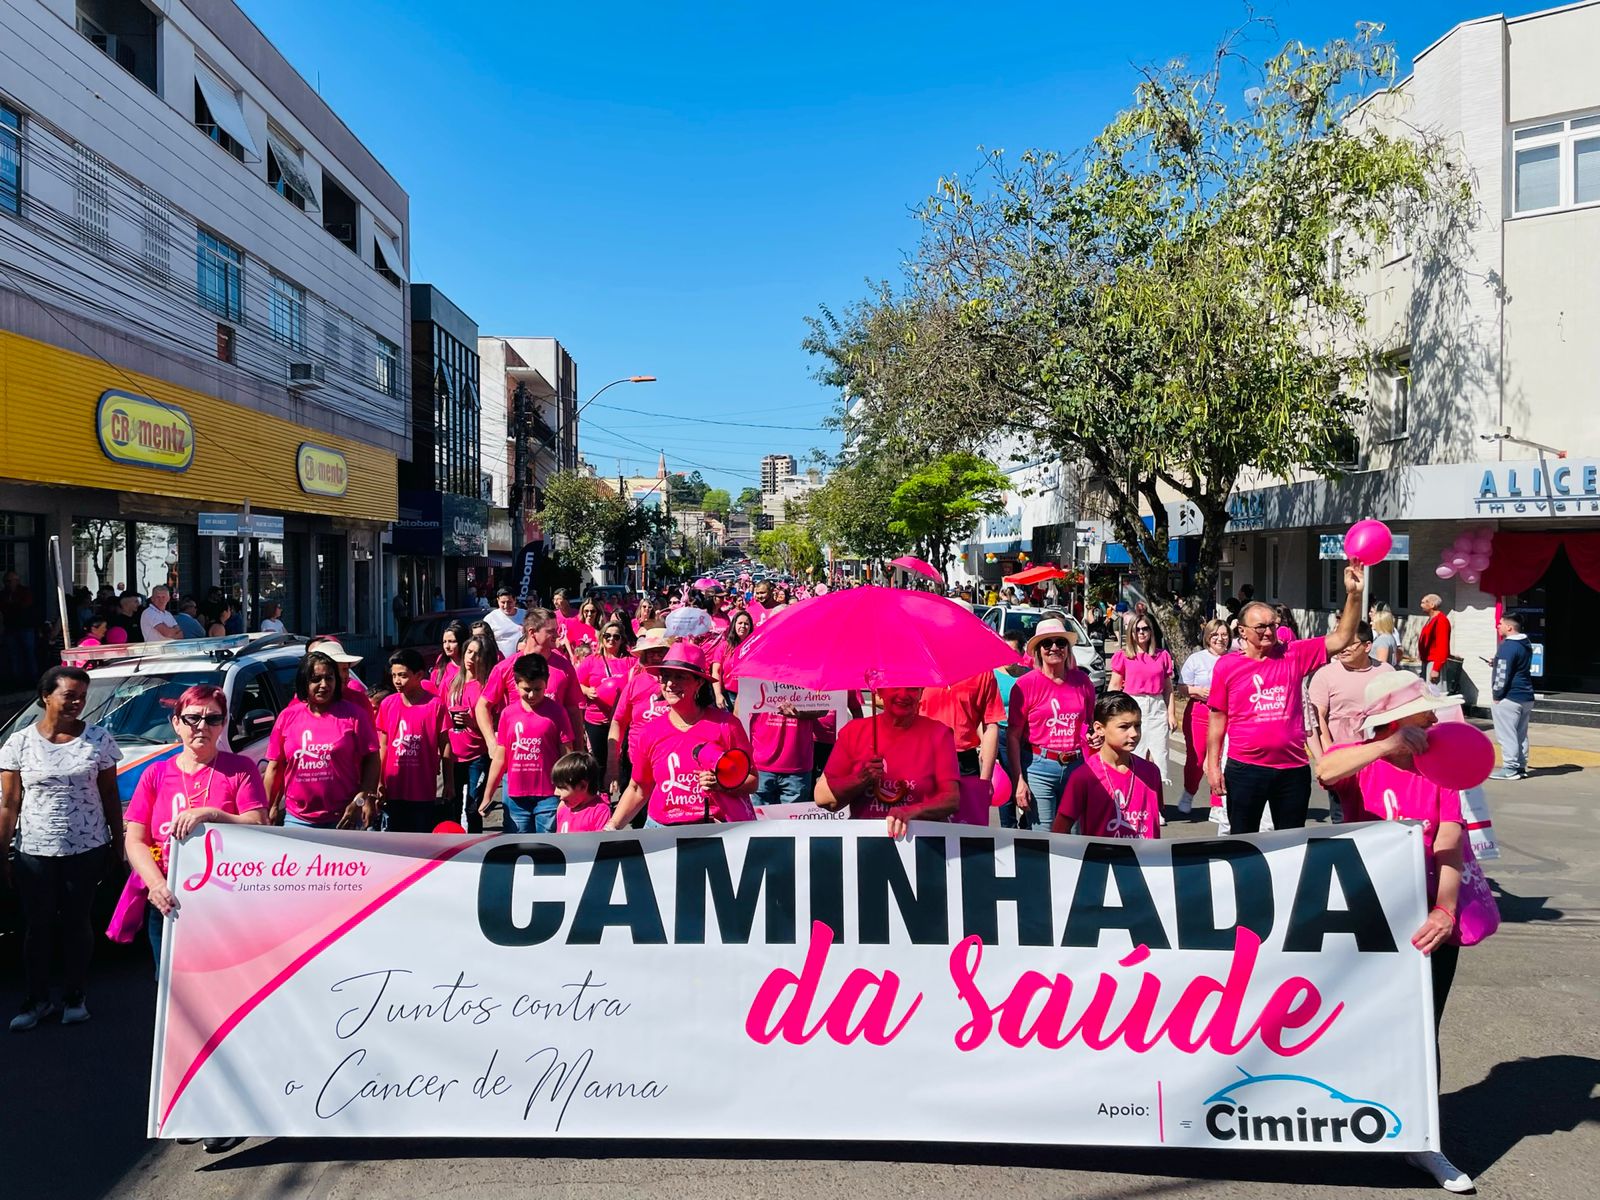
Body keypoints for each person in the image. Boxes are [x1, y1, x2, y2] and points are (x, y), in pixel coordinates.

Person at [1315, 672, 1478, 1194]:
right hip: (1367, 924)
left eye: (1432, 711)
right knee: (1354, 1024)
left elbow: (1450, 841)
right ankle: (1333, 1117)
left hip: (1426, 924)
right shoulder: (1364, 761)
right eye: (1423, 713)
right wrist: (1383, 746)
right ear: (1394, 722)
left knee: (1422, 1029)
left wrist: (1445, 911)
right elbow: (1326, 768)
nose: (1433, 719)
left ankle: (1424, 1138)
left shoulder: (1440, 768)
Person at [0, 666, 121, 1031]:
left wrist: (117, 843)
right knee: (36, 927)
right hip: (35, 851)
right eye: (69, 695)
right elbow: (8, 803)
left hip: (86, 848)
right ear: (45, 697)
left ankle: (74, 996)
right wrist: (1, 852)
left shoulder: (99, 740)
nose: (77, 703)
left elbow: (109, 794)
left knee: (77, 922)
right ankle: (37, 1000)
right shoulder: (18, 744)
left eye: (82, 696)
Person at [1207, 563, 1363, 835]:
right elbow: (1217, 719)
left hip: (1292, 769)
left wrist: (1354, 595)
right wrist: (1213, 766)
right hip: (1245, 769)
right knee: (1243, 841)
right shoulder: (1227, 666)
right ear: (1242, 631)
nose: (1268, 632)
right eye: (1260, 627)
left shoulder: (1294, 654)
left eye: (1272, 626)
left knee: (1290, 842)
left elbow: (1342, 637)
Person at [122, 684, 266, 967]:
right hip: (169, 901)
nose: (202, 726)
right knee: (172, 993)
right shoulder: (156, 774)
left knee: (224, 983)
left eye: (213, 719)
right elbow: (135, 839)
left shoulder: (240, 769)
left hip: (226, 901)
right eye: (192, 718)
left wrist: (212, 814)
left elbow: (259, 824)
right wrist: (156, 885)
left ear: (223, 724)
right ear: (176, 723)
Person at [607, 644, 758, 828]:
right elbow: (638, 788)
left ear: (699, 682)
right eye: (666, 676)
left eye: (680, 676)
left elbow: (752, 781)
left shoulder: (727, 725)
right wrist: (612, 826)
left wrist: (721, 784)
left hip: (712, 832)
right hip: (661, 833)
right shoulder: (650, 732)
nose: (670, 684)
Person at [817, 685, 959, 835]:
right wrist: (860, 779)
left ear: (921, 692)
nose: (903, 695)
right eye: (895, 687)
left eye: (912, 688)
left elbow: (951, 799)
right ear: (879, 691)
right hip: (865, 844)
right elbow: (823, 797)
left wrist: (912, 812)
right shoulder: (853, 732)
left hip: (921, 845)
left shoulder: (939, 734)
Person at [264, 651, 380, 830]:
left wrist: (361, 800)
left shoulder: (355, 715)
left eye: (329, 678)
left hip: (344, 819)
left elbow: (372, 758)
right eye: (316, 679)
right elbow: (275, 767)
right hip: (297, 820)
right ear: (304, 682)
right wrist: (268, 807)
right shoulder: (287, 717)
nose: (324, 685)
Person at [1006, 619, 1098, 829]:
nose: (1054, 648)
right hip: (1039, 767)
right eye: (1047, 644)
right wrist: (1019, 781)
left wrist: (1093, 735)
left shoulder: (1083, 682)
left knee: (1074, 834)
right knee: (1044, 835)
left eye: (1060, 643)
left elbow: (1090, 724)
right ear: (1039, 650)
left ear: (1067, 648)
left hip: (1076, 766)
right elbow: (1013, 736)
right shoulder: (1025, 685)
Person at [1308, 622, 1394, 822]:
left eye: (1350, 643)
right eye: (1341, 642)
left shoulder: (1386, 672)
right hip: (1343, 760)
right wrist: (1326, 755)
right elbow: (1317, 716)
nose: (1343, 648)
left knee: (1379, 815)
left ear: (1367, 646)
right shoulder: (1325, 675)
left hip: (1379, 758)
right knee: (1342, 819)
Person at [481, 653, 575, 833]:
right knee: (518, 847)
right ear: (516, 684)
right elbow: (501, 758)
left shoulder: (557, 712)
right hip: (515, 798)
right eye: (526, 689)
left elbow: (567, 755)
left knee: (547, 848)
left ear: (546, 682)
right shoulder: (508, 715)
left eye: (538, 689)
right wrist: (488, 795)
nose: (531, 695)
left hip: (549, 795)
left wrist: (567, 791)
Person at [1055, 692, 1163, 839]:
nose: (1134, 733)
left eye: (1137, 726)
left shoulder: (1151, 772)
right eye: (1124, 727)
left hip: (1145, 860)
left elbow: (1153, 823)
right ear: (1099, 729)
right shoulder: (1084, 776)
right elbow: (1060, 829)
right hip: (1101, 860)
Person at [376, 648, 453, 832]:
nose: (397, 681)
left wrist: (449, 781)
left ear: (419, 675)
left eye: (402, 675)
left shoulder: (435, 705)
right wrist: (379, 782)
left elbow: (445, 744)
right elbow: (383, 745)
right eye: (394, 675)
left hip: (423, 789)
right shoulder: (388, 704)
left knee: (421, 839)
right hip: (394, 788)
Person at [1109, 614, 1174, 820]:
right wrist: (1110, 713)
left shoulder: (1162, 656)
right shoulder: (1124, 656)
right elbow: (1114, 685)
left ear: (1151, 631)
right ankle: (1132, 803)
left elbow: (1168, 688)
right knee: (1132, 756)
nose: (1141, 633)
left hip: (1156, 707)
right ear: (1131, 633)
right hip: (1132, 705)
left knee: (1156, 758)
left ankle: (1154, 806)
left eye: (1145, 629)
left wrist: (1171, 713)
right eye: (1137, 629)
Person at [605, 629, 672, 796]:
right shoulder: (635, 683)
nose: (655, 656)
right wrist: (612, 765)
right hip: (637, 767)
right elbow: (618, 722)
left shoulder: (681, 682)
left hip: (671, 766)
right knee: (638, 819)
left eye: (661, 651)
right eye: (651, 652)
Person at [1174, 618, 1230, 818]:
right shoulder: (1196, 659)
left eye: (1224, 635)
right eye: (1215, 635)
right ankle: (1189, 792)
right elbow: (1181, 687)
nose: (1220, 639)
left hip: (1226, 714)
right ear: (1208, 637)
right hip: (1199, 712)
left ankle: (1217, 803)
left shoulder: (1234, 658)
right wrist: (1198, 690)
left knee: (1221, 759)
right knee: (1197, 759)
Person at [446, 635, 495, 832]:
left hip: (478, 755)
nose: (471, 658)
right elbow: (441, 712)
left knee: (473, 808)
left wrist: (473, 723)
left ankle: (475, 848)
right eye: (469, 652)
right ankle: (453, 848)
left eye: (477, 654)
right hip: (454, 754)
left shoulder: (487, 686)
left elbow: (494, 722)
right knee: (452, 806)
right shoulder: (452, 683)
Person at [750, 699, 825, 807]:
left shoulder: (809, 683)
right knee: (759, 822)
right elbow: (740, 709)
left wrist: (800, 713)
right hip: (761, 765)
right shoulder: (753, 682)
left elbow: (824, 710)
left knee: (794, 823)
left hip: (797, 766)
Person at [577, 618, 632, 764]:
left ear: (622, 640)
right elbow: (576, 684)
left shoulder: (630, 661)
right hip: (597, 719)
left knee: (625, 760)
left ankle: (621, 786)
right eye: (607, 635)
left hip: (623, 719)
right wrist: (587, 690)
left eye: (616, 636)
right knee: (599, 760)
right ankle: (601, 787)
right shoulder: (591, 661)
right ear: (602, 637)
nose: (611, 639)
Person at [1489, 612, 1535, 781]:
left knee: (1506, 734)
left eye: (1500, 623)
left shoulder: (1507, 646)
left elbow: (1502, 674)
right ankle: (1520, 766)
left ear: (1509, 627)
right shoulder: (1525, 643)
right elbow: (1515, 665)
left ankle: (1510, 768)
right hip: (1526, 695)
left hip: (1510, 696)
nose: (1498, 626)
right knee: (1520, 734)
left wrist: (1497, 694)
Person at [553, 751, 612, 832]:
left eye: (562, 787)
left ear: (582, 786)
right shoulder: (563, 809)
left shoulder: (600, 812)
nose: (555, 792)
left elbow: (601, 842)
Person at [1, 569, 39, 683]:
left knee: (29, 653)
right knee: (13, 654)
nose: (9, 583)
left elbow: (24, 606)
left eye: (11, 580)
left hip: (25, 627)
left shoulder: (24, 592)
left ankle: (33, 678)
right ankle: (17, 679)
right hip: (10, 628)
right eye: (7, 581)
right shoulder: (3, 594)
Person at [714, 609, 755, 710]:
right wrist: (718, 694)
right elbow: (716, 671)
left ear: (750, 627)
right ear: (734, 625)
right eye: (740, 623)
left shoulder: (755, 646)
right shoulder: (724, 646)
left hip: (749, 696)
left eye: (746, 624)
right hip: (728, 696)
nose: (743, 626)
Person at [1418, 593, 1452, 687]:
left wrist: (1436, 668)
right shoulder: (1431, 619)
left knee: (1435, 694)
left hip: (1434, 662)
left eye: (1424, 602)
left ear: (1432, 605)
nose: (1421, 605)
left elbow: (1442, 646)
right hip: (1427, 661)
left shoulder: (1441, 620)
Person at [426, 621, 469, 696]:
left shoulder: (469, 665)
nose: (447, 646)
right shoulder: (441, 661)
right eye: (444, 642)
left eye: (452, 642)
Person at [483, 588, 525, 659]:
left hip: (523, 662)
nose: (506, 606)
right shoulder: (490, 619)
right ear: (498, 601)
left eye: (509, 602)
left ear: (515, 600)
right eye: (503, 602)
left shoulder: (525, 615)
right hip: (502, 664)